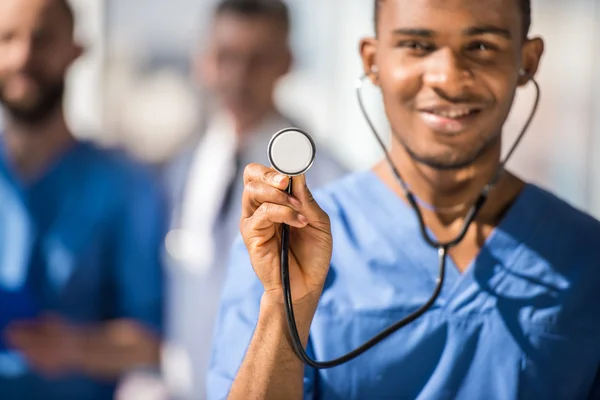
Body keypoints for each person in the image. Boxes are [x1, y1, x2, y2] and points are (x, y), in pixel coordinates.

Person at [208, 0, 600, 399]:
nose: (448, 78)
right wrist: (284, 307)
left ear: (527, 61)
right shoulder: (285, 239)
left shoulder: (588, 257)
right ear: (372, 60)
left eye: (481, 46)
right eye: (417, 45)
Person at [162, 1, 347, 398]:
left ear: (287, 62)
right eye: (226, 56)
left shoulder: (329, 184)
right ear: (204, 60)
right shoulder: (181, 170)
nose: (238, 76)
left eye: (257, 60)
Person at [0, 0, 165, 399]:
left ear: (76, 51)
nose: (24, 56)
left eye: (42, 39)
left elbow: (153, 341)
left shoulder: (122, 183)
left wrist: (73, 347)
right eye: (7, 38)